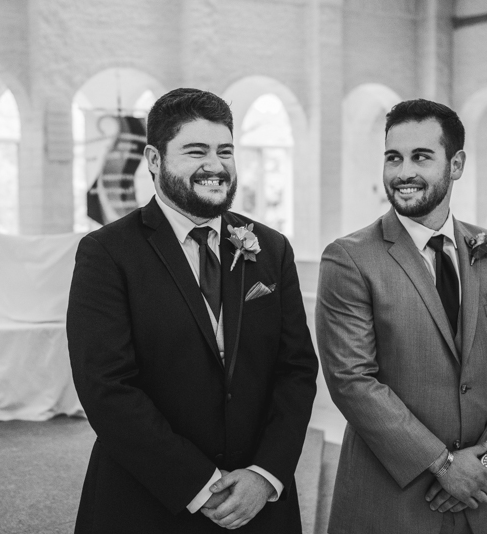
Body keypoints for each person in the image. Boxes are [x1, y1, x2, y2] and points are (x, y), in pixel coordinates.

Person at [67, 88, 318, 533]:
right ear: (154, 159)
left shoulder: (271, 249)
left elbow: (295, 369)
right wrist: (197, 483)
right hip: (148, 500)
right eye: (195, 151)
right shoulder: (107, 253)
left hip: (258, 503)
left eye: (225, 151)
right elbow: (106, 385)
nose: (215, 165)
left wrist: (265, 474)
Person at [315, 99, 487, 534]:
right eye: (393, 157)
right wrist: (441, 464)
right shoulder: (349, 258)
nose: (403, 172)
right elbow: (352, 379)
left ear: (455, 164)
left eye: (421, 157)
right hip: (392, 501)